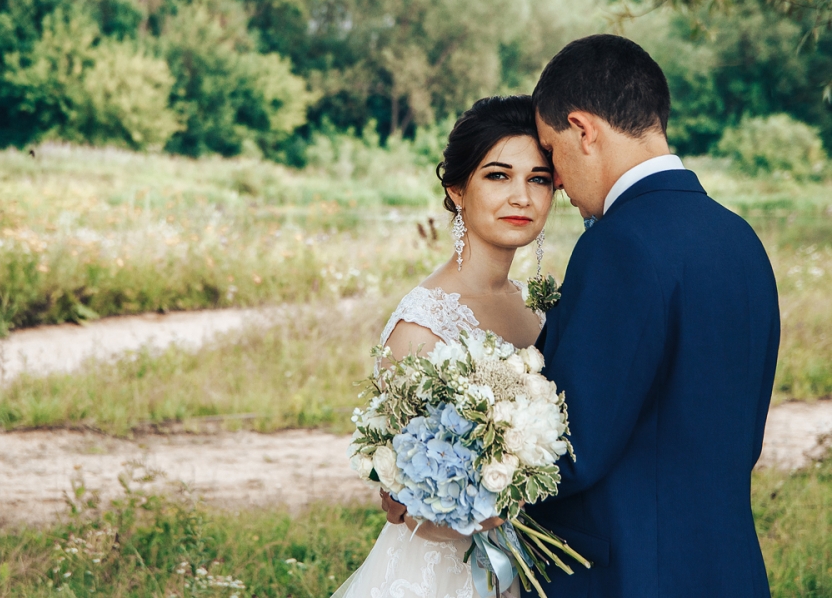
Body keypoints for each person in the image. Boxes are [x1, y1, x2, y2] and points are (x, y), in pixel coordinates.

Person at [528, 34, 780, 598]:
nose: (557, 178)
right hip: (728, 566)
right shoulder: (740, 238)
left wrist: (462, 477)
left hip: (635, 572)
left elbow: (573, 446)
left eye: (552, 150)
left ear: (583, 129)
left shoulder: (618, 245)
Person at [331, 94, 554, 598]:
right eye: (498, 176)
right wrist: (482, 503)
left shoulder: (538, 309)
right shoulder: (424, 321)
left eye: (538, 179)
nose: (521, 196)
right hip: (441, 575)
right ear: (457, 190)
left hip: (528, 563)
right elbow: (401, 493)